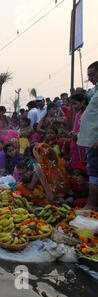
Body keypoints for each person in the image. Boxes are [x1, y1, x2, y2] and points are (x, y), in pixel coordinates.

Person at [77, 61, 98, 210]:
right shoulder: (95, 91)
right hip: (90, 139)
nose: (90, 78)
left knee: (94, 172)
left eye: (93, 74)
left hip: (95, 140)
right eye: (89, 75)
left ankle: (92, 205)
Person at [69, 93, 89, 168]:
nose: (73, 106)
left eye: (75, 103)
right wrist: (73, 134)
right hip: (79, 144)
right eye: (72, 104)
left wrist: (77, 134)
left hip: (88, 143)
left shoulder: (89, 113)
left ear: (83, 102)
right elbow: (76, 128)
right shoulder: (78, 114)